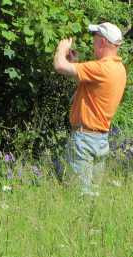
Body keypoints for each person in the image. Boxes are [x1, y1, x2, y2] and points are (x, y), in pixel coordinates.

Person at [54, 22, 126, 195]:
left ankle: (83, 222)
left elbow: (59, 66)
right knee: (92, 193)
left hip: (84, 138)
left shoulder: (101, 67)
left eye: (94, 39)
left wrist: (61, 51)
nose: (92, 43)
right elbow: (87, 89)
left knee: (79, 195)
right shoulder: (118, 69)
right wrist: (75, 64)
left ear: (102, 42)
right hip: (100, 138)